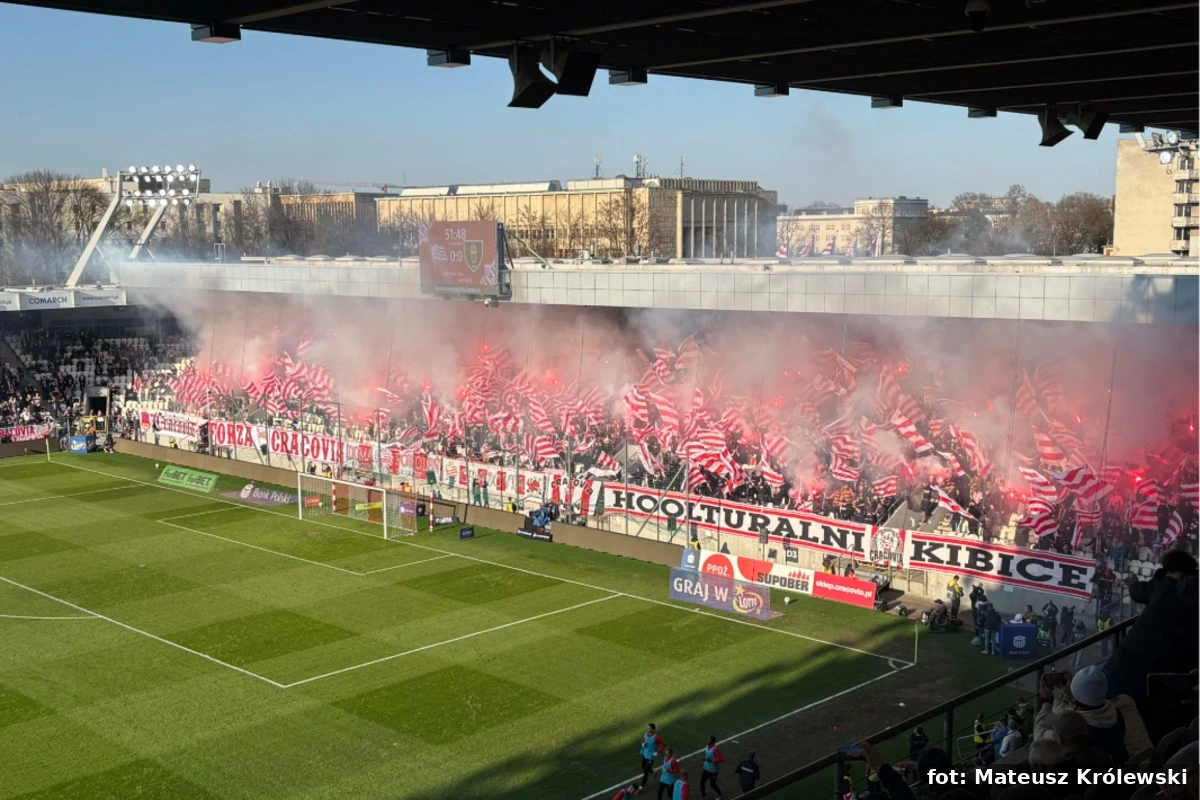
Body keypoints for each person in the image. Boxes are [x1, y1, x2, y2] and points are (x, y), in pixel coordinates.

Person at [1105, 549, 1200, 711]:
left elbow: (1135, 590)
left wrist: (1158, 578)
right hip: (1167, 678)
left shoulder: (1163, 586)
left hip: (1127, 666)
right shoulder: (1184, 588)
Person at [640, 724, 665, 788]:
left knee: (646, 771)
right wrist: (643, 743)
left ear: (653, 729)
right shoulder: (645, 734)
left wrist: (657, 752)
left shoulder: (656, 738)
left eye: (649, 728)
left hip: (651, 756)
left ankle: (641, 787)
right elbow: (643, 740)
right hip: (645, 754)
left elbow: (663, 744)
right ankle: (653, 773)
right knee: (643, 767)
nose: (647, 729)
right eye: (647, 728)